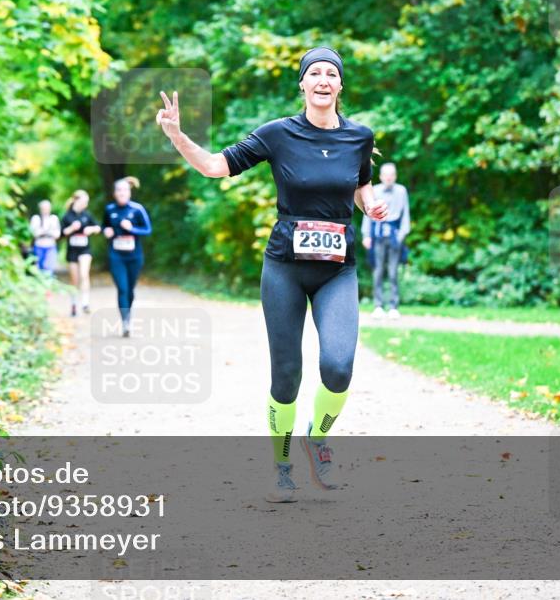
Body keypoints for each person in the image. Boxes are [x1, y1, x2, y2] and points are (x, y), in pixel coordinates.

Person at [156, 46, 388, 503]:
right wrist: (177, 136)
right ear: (302, 84)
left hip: (337, 270)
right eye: (314, 73)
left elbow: (360, 184)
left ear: (340, 86)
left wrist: (370, 204)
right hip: (284, 267)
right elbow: (215, 167)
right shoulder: (277, 134)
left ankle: (316, 439)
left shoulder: (359, 136)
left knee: (338, 367)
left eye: (331, 74)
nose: (323, 80)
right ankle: (282, 463)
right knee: (286, 374)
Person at [102, 177, 152, 337]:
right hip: (116, 255)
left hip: (135, 256)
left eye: (125, 190)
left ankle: (128, 315)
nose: (122, 193)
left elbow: (147, 230)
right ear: (114, 193)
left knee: (130, 290)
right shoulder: (109, 209)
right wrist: (106, 231)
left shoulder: (137, 209)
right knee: (122, 289)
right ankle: (125, 322)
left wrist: (132, 229)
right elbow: (105, 226)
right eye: (119, 190)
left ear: (129, 192)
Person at [361, 163, 411, 319]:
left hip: (395, 236)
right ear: (381, 176)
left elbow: (405, 215)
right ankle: (378, 306)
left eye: (391, 175)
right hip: (377, 235)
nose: (389, 177)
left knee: (393, 271)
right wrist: (366, 235)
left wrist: (402, 235)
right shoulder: (374, 190)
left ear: (395, 176)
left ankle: (394, 307)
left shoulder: (401, 191)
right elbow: (367, 214)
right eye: (386, 175)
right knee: (377, 271)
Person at [61, 189, 101, 316]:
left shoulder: (87, 215)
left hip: (85, 249)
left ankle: (85, 303)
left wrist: (92, 229)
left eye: (87, 202)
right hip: (72, 251)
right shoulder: (67, 216)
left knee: (84, 274)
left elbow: (98, 227)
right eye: (84, 201)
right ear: (76, 200)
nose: (86, 204)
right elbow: (61, 234)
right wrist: (72, 228)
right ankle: (73, 304)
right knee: (75, 279)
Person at [29, 200, 60, 276]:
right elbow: (33, 233)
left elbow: (57, 234)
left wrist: (44, 232)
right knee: (38, 269)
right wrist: (46, 232)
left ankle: (48, 286)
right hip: (38, 246)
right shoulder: (36, 218)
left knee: (49, 269)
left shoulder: (54, 219)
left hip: (50, 246)